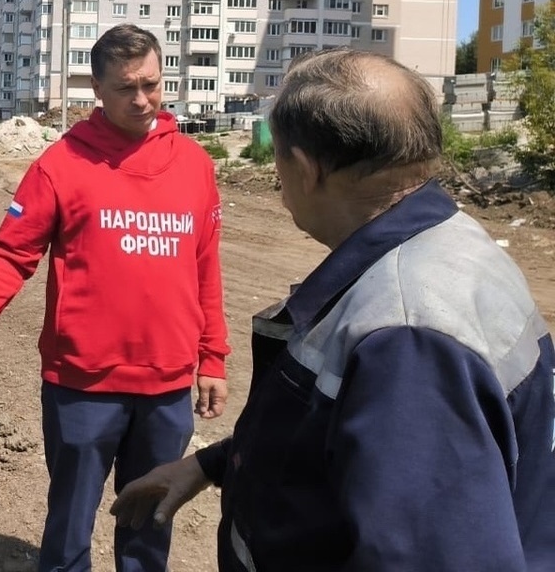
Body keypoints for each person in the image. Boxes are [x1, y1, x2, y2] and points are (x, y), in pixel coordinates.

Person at [111, 48, 555, 570]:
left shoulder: (406, 340)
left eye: (278, 158)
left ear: (306, 168)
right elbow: (344, 434)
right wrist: (212, 464)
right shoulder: (448, 243)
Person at [0, 23, 230, 572]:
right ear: (96, 91)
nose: (143, 99)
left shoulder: (194, 165)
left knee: (149, 524)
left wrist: (212, 357)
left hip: (167, 385)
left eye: (152, 83)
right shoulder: (60, 166)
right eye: (126, 88)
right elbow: (10, 256)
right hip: (83, 385)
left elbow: (205, 267)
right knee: (71, 523)